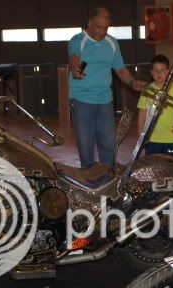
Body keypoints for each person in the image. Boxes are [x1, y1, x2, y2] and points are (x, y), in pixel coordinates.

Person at [68, 7, 147, 168]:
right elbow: (74, 57)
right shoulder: (77, 40)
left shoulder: (112, 43)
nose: (101, 32)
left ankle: (107, 178)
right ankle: (89, 181)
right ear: (90, 22)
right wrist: (75, 68)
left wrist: (132, 82)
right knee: (85, 146)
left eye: (105, 28)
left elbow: (120, 69)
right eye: (98, 27)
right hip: (81, 100)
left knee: (109, 145)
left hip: (104, 101)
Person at [137, 55, 173, 156]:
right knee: (152, 168)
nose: (159, 73)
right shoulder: (147, 90)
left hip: (171, 138)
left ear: (168, 72)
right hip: (151, 138)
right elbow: (142, 112)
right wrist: (141, 134)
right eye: (156, 70)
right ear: (152, 72)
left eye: (162, 70)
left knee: (170, 168)